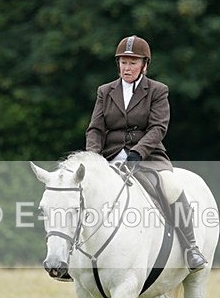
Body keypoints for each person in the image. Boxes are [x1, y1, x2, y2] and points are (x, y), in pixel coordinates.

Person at [85, 35, 207, 271]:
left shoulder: (157, 91)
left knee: (170, 186)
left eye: (132, 62)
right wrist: (93, 159)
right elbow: (95, 129)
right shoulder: (105, 91)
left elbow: (158, 128)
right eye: (123, 62)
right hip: (109, 157)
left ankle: (191, 246)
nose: (126, 67)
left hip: (148, 157)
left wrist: (137, 153)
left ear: (144, 65)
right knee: (82, 192)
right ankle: (73, 257)